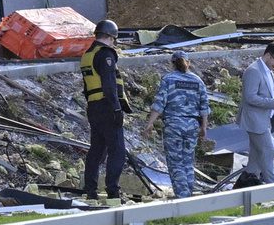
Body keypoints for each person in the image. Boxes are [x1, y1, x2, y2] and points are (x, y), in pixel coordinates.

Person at [142, 50, 210, 198]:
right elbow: (204, 107)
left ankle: (183, 197)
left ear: (172, 64)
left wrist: (150, 124)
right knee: (188, 162)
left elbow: (159, 103)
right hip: (192, 125)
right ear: (188, 63)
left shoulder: (168, 79)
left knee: (175, 163)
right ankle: (188, 194)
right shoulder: (198, 81)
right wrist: (203, 127)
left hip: (173, 125)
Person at [81, 19, 132, 199]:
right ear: (111, 37)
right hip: (107, 106)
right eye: (114, 39)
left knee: (96, 150)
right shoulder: (106, 55)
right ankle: (113, 192)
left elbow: (87, 87)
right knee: (117, 151)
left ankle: (91, 191)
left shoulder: (88, 54)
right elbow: (110, 85)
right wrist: (117, 109)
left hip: (93, 107)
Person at [236, 41, 274, 184]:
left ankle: (243, 188)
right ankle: (273, 192)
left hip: (264, 121)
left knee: (255, 161)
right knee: (268, 155)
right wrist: (273, 102)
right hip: (255, 122)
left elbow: (269, 94)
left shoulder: (268, 71)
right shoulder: (254, 71)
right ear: (268, 55)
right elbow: (250, 97)